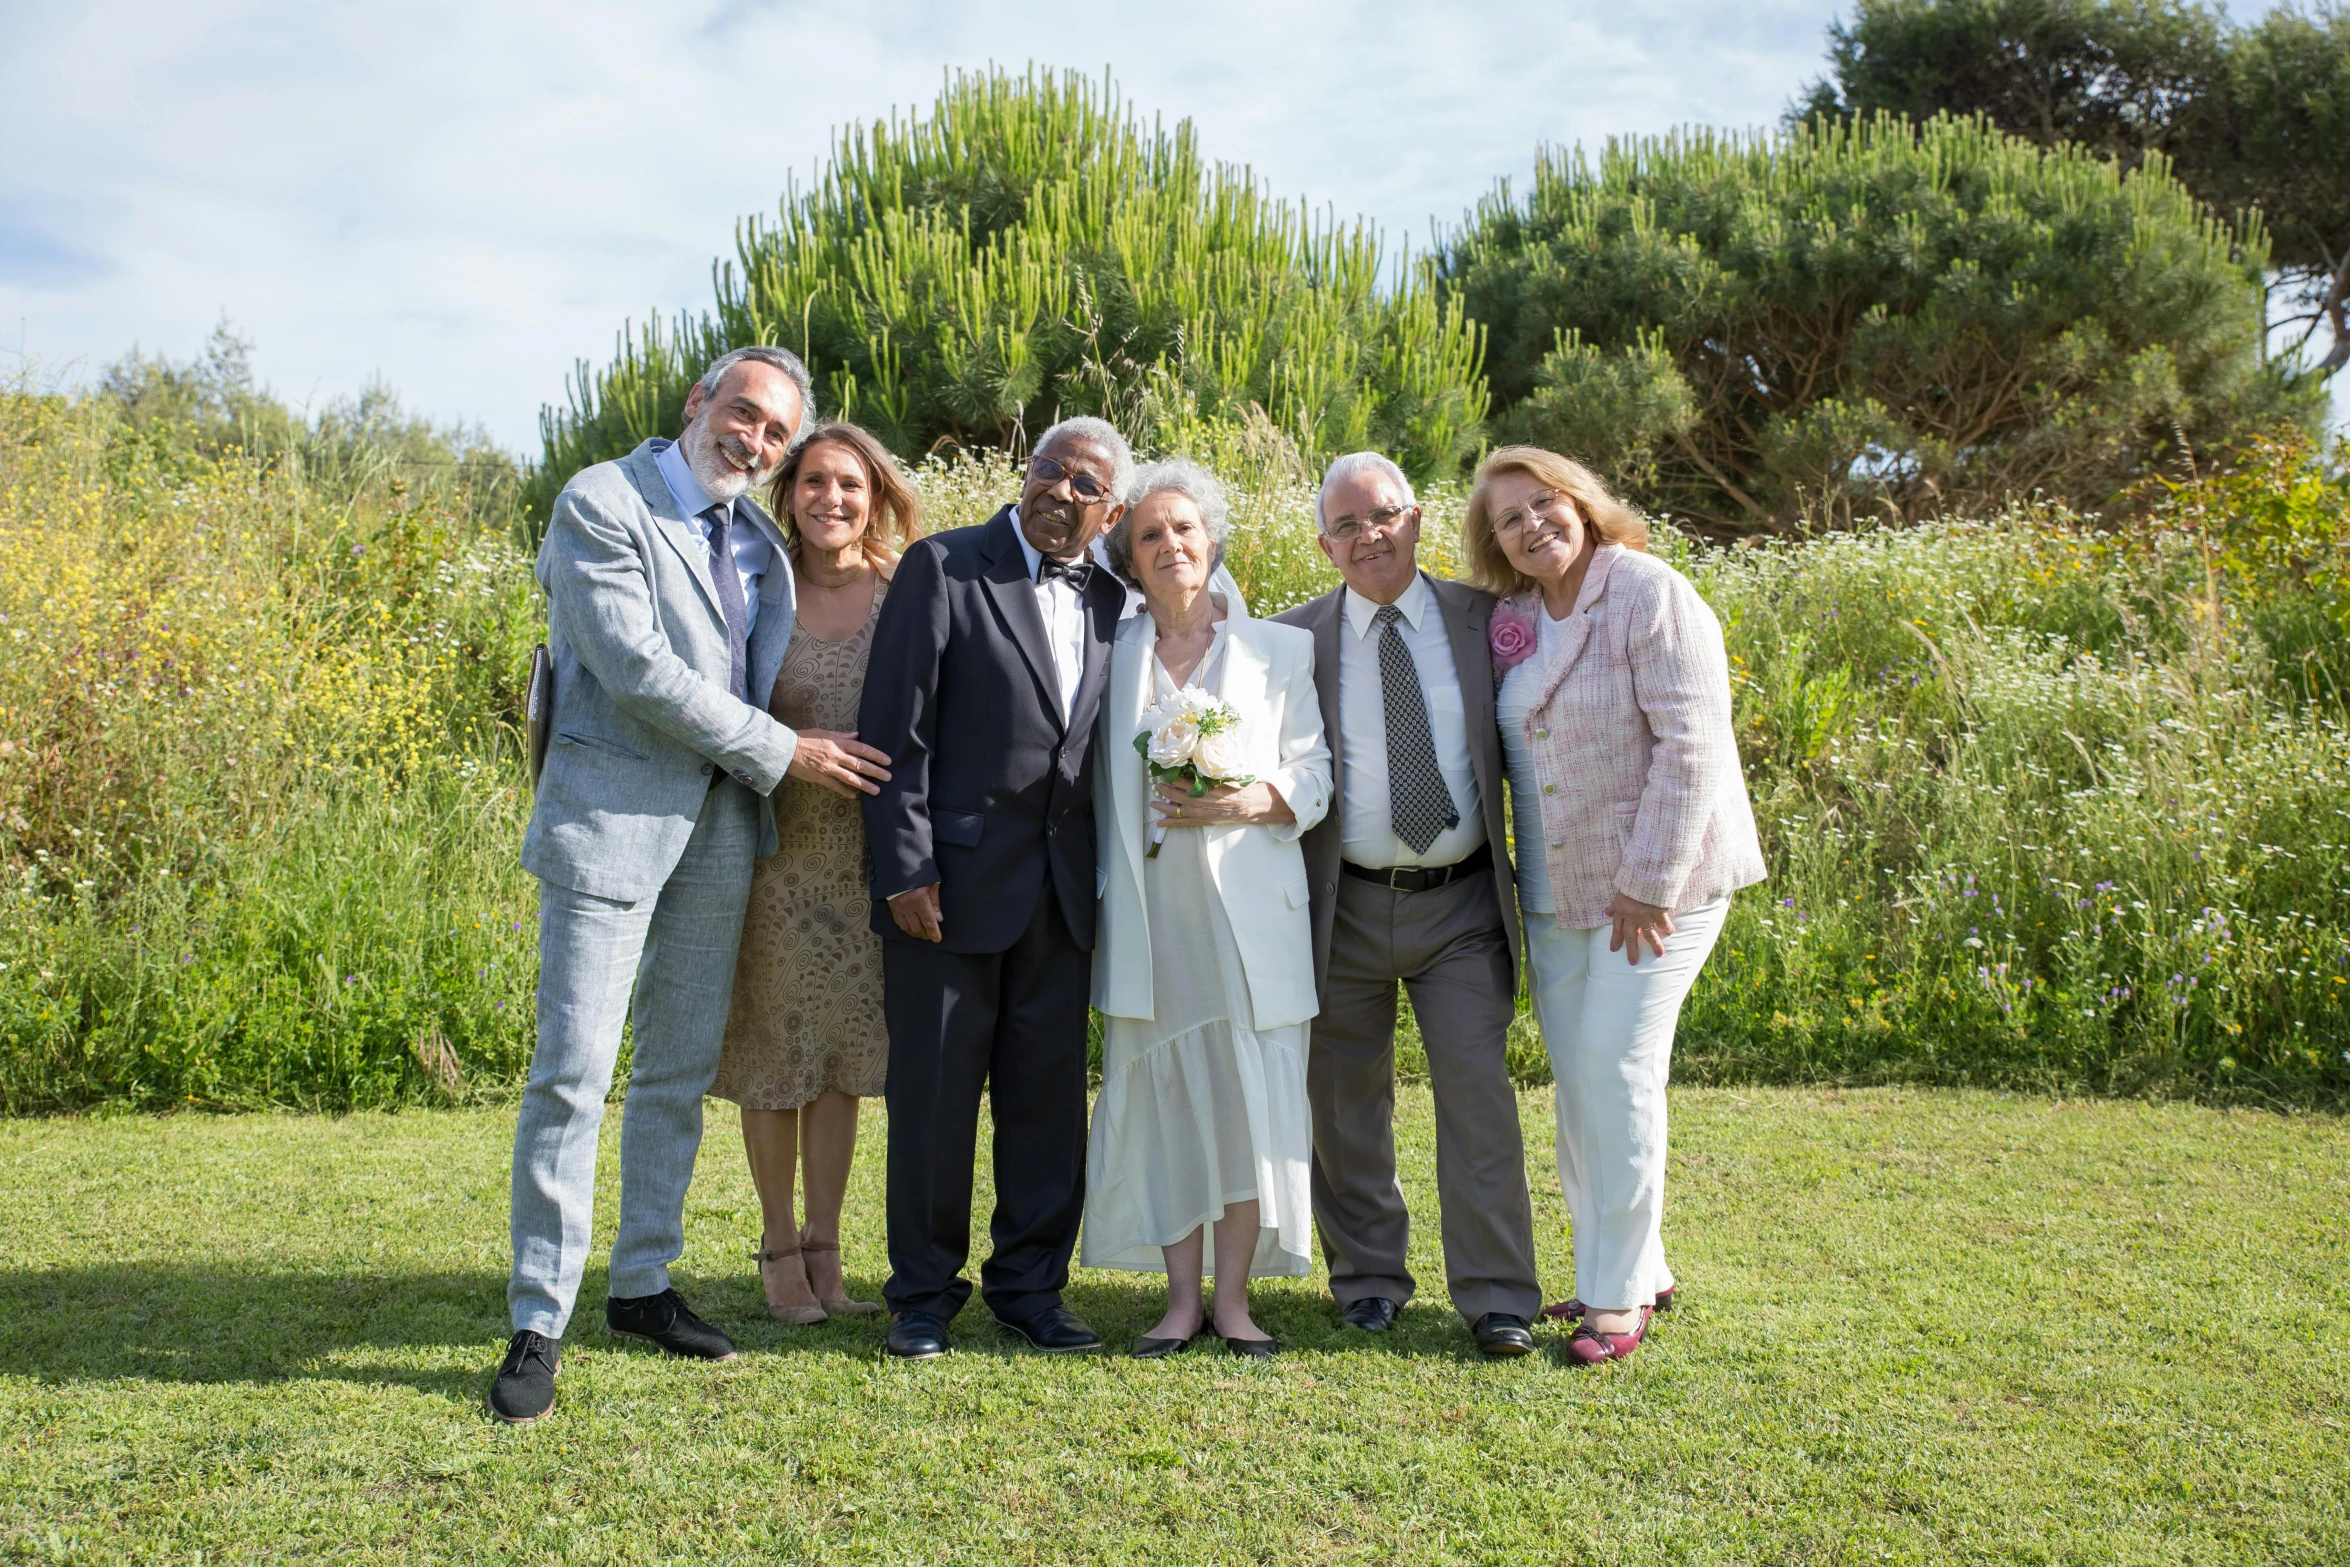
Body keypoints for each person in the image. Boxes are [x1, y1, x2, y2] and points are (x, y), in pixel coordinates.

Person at [490, 348, 893, 1425]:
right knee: (573, 1073)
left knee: (674, 1071)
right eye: (743, 414)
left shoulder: (757, 533)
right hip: (609, 823)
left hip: (722, 832)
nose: (753, 441)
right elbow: (635, 669)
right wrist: (784, 749)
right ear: (697, 404)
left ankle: (643, 1284)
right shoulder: (599, 503)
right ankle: (540, 1315)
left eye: (773, 432)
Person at [1464, 445, 1764, 1366]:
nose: (1531, 526)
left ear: (1583, 502)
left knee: (1616, 1073)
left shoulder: (1648, 591)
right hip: (1556, 894)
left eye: (1544, 504)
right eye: (1509, 519)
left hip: (1658, 890)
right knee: (1581, 1088)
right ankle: (1640, 1263)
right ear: (1496, 544)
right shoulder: (1513, 618)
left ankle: (1617, 1295)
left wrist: (1649, 879)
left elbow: (1692, 745)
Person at [857, 417, 1132, 1360]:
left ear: (1111, 510)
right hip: (946, 891)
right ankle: (923, 1296)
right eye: (1049, 469)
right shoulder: (944, 567)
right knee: (933, 1099)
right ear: (1027, 473)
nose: (1060, 490)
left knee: (1047, 1102)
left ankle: (1031, 1287)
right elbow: (895, 735)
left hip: (1062, 897)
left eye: (1085, 483)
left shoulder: (1114, 600)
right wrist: (905, 868)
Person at [1271, 452, 1544, 1359]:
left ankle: (1500, 1293)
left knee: (1479, 1099)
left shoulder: (1488, 620)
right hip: (1342, 906)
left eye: (1381, 515)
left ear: (1417, 519)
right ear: (1323, 544)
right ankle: (1369, 1281)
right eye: (1345, 527)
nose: (1367, 536)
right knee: (1344, 1107)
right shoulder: (1291, 641)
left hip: (1461, 907)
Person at [1082, 460, 1332, 1359]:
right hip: (1152, 916)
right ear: (1131, 560)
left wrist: (1251, 799)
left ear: (1212, 542)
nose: (1170, 545)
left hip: (1249, 917)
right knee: (1166, 1106)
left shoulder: (1279, 651)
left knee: (1242, 1104)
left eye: (1183, 528)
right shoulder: (1109, 659)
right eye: (1149, 535)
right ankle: (1179, 1300)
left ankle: (1234, 1300)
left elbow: (1315, 771)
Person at [711, 422, 920, 1324]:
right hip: (773, 859)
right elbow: (716, 707)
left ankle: (830, 1251)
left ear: (874, 498)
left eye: (850, 485)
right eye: (813, 483)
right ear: (787, 492)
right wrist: (786, 750)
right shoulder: (752, 592)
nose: (831, 499)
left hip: (866, 867)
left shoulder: (903, 592)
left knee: (842, 1064)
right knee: (774, 1060)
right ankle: (776, 1244)